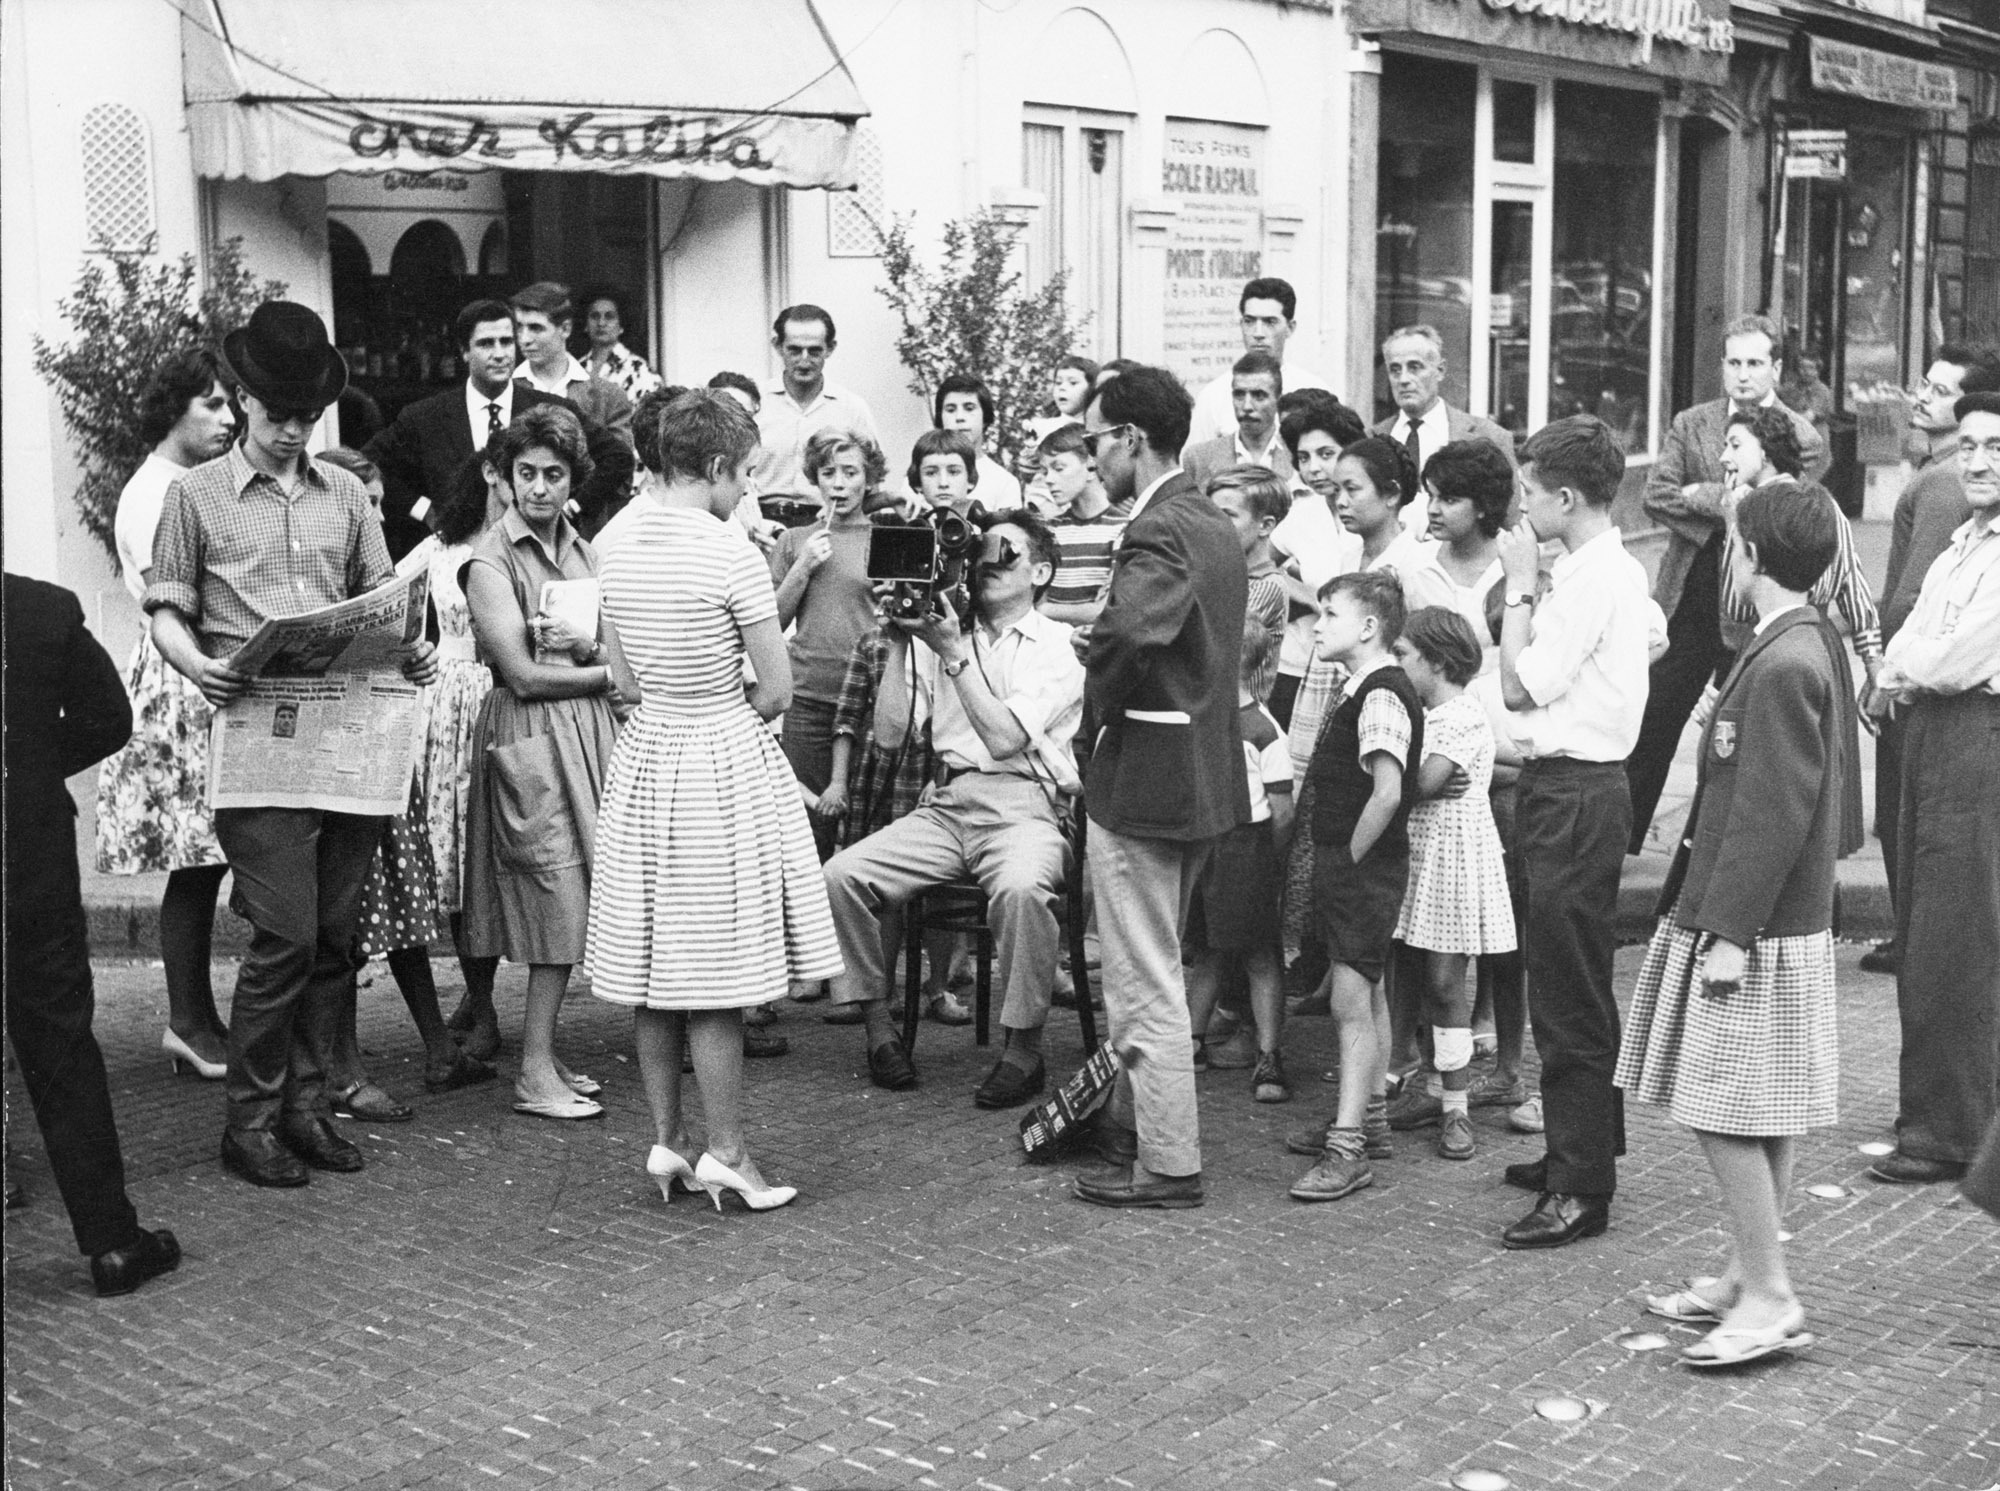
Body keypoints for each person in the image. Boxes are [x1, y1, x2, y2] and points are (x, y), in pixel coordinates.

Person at [145, 300, 439, 1188]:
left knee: (334, 935)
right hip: (257, 738)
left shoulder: (346, 493)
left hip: (347, 737)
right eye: (277, 417)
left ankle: (307, 1108)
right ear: (244, 402)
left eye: (306, 419)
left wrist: (414, 646)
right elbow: (164, 609)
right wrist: (200, 664)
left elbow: (384, 600)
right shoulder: (193, 498)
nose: (290, 433)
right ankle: (251, 1118)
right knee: (283, 932)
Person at [586, 391, 841, 1213]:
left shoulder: (611, 539)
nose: (746, 496)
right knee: (717, 972)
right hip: (715, 761)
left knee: (656, 965)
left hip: (645, 755)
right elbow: (776, 688)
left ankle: (669, 1138)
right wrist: (720, 685)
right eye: (743, 477)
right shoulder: (728, 550)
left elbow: (619, 680)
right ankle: (729, 1150)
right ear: (720, 467)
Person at [1616, 481, 1848, 1367]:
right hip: (1761, 921)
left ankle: (1770, 1292)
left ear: (1745, 555)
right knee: (1765, 1104)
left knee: (1722, 1107)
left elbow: (1772, 813)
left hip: (1749, 926)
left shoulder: (1785, 660)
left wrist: (1728, 935)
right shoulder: (1797, 640)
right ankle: (1744, 1272)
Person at [821, 510, 1085, 1107]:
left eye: (1006, 554)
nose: (989, 563)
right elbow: (888, 736)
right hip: (947, 801)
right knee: (842, 875)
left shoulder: (1059, 647)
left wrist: (953, 655)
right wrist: (896, 640)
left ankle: (1023, 1049)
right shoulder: (943, 630)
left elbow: (1005, 739)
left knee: (1021, 891)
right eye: (980, 553)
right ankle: (878, 1029)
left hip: (1026, 804)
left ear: (1041, 572)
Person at [1075, 365, 1249, 1209]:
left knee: (1143, 978)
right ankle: (1136, 1130)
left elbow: (1130, 636)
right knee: (1161, 965)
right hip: (1201, 773)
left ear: (1130, 440)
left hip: (1144, 775)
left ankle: (1168, 1160)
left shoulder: (1158, 529)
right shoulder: (1208, 516)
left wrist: (1091, 713)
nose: (1090, 455)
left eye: (1094, 439)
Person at [1493, 415, 1652, 1248]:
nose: (1520, 507)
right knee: (1568, 974)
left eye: (1528, 491)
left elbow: (1522, 686)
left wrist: (1521, 585)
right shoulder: (1610, 570)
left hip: (1575, 792)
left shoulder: (1584, 578)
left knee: (1568, 989)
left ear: (1564, 496)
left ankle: (1582, 1182)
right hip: (1578, 790)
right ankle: (1579, 1145)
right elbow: (1651, 637)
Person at [5, 572, 180, 1295]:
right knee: (61, 1040)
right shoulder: (42, 609)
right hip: (28, 846)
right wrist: (32, 766)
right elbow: (111, 717)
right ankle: (110, 1240)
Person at [462, 404, 637, 1121]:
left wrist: (596, 656)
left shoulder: (584, 551)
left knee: (577, 893)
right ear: (503, 478)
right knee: (552, 893)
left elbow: (614, 652)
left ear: (573, 480)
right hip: (531, 736)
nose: (538, 487)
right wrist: (602, 675)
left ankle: (546, 1050)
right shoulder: (487, 561)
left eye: (553, 474)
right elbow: (523, 674)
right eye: (526, 472)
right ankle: (533, 1070)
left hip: (586, 734)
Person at [319, 447, 497, 1113]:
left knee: (400, 899)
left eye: (375, 502)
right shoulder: (316, 570)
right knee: (341, 914)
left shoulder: (386, 571)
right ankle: (344, 1065)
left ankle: (438, 1047)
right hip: (336, 757)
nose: (369, 514)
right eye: (355, 502)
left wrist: (416, 657)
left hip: (385, 749)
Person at [1865, 392, 2000, 1187]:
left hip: (1975, 737)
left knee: (1957, 933)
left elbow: (1952, 657)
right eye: (1970, 447)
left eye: (1996, 447)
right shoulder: (1962, 541)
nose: (1978, 463)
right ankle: (1938, 1110)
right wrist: (1905, 665)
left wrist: (1901, 671)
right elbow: (1915, 630)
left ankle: (1948, 1130)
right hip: (1933, 735)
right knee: (1922, 921)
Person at [1629, 314, 1828, 850]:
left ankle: (1706, 844)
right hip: (1690, 591)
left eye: (1755, 363)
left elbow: (1783, 513)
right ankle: (1622, 840)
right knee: (1654, 717)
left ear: (1776, 369)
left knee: (1733, 730)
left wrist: (1702, 492)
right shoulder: (1692, 423)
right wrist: (1729, 502)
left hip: (1755, 599)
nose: (1743, 375)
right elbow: (1655, 495)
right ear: (1722, 367)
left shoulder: (1801, 436)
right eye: (1734, 363)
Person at [93, 348, 238, 1081]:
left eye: (227, 404)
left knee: (207, 860)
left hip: (202, 672)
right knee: (195, 857)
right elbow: (175, 602)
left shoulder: (188, 483)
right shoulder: (155, 493)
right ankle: (186, 1019)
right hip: (185, 674)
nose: (227, 417)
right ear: (172, 408)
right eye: (210, 403)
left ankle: (202, 1016)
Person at [1861, 347, 2000, 973]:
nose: (1921, 396)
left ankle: (1914, 938)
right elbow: (1923, 618)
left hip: (1950, 716)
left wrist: (1890, 673)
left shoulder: (1946, 486)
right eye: (1969, 446)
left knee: (1921, 840)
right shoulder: (1957, 520)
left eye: (1939, 390)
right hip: (1922, 695)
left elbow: (1938, 639)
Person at [1284, 571, 1421, 1201]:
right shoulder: (1365, 687)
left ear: (1368, 628)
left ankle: (1348, 1149)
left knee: (1348, 1004)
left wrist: (1351, 859)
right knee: (1371, 996)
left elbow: (1388, 792)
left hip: (1361, 872)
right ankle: (1371, 1122)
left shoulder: (1381, 693)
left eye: (1330, 615)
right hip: (1358, 872)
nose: (1317, 625)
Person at [1390, 607, 1515, 1163]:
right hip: (1420, 853)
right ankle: (1431, 1087)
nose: (1396, 664)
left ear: (1437, 661)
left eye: (1404, 655)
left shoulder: (1461, 715)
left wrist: (1406, 779)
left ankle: (1457, 1104)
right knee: (1410, 974)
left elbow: (1416, 783)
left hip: (1455, 858)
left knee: (1445, 981)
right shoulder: (1419, 714)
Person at [365, 298, 634, 557]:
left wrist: (570, 506)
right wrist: (423, 509)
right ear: (464, 351)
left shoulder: (549, 409)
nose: (499, 354)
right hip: (456, 564)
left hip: (537, 558)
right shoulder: (425, 416)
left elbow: (618, 457)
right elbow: (365, 465)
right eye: (485, 344)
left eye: (506, 342)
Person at [1183, 616, 1295, 1102]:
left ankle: (1269, 1057)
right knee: (1205, 949)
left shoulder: (1263, 729)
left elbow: (1282, 811)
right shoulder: (1198, 718)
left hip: (1246, 847)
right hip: (1204, 844)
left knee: (1259, 954)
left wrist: (1268, 863)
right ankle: (1190, 1041)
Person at [770, 429, 890, 859]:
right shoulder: (794, 541)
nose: (839, 483)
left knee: (867, 829)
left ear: (869, 479)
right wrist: (802, 567)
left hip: (869, 701)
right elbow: (772, 622)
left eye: (850, 472)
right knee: (807, 830)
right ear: (815, 479)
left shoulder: (885, 539)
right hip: (809, 698)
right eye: (828, 472)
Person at [1268, 395, 1366, 729]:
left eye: (1326, 454)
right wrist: (1304, 593)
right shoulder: (1297, 515)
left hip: (1363, 672)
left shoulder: (1376, 509)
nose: (1313, 468)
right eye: (1304, 457)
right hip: (1299, 669)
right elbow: (1249, 564)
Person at [1375, 324, 1517, 536]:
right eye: (1395, 370)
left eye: (1415, 367)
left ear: (1440, 371)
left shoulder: (1487, 437)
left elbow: (1512, 521)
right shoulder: (1374, 438)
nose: (1403, 379)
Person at [1185, 278, 1333, 449]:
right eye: (1249, 321)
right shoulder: (1214, 395)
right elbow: (1197, 464)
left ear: (1290, 328)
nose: (1258, 333)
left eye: (1270, 322)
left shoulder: (1315, 391)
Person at [751, 305, 881, 500]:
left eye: (814, 351)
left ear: (830, 348)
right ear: (778, 346)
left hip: (827, 520)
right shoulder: (754, 403)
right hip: (761, 521)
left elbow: (872, 479)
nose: (804, 360)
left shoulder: (851, 408)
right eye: (794, 350)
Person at [1418, 440, 1512, 670]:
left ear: (1483, 505)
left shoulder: (1515, 562)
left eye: (1449, 500)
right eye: (1431, 496)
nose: (1433, 509)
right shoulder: (1416, 563)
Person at [1205, 465, 1290, 706]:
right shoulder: (1218, 574)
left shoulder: (1269, 586)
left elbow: (1211, 643)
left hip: (1240, 722)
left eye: (1228, 515)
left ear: (1265, 525)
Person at [1038, 422, 1125, 628]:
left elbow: (1106, 610)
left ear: (1091, 467)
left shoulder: (1122, 528)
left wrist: (1043, 610)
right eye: (1045, 471)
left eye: (1059, 468)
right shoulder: (1049, 530)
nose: (1049, 479)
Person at [1183, 351, 1294, 491]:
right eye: (1239, 395)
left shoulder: (1296, 454)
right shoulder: (1198, 459)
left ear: (1278, 399)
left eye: (1259, 396)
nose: (1247, 406)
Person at [934, 372, 1025, 510]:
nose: (959, 417)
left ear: (985, 418)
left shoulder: (1004, 482)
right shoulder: (924, 476)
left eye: (969, 408)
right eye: (951, 410)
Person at [579, 286, 663, 403]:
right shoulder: (577, 368)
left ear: (621, 326)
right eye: (595, 316)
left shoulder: (639, 370)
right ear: (586, 325)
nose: (601, 323)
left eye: (609, 316)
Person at [1046, 355, 1099, 420]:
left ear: (1092, 387)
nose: (1062, 387)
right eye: (1058, 383)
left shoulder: (1099, 428)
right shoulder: (1043, 427)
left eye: (1073, 383)